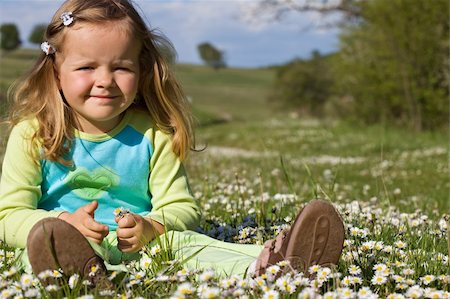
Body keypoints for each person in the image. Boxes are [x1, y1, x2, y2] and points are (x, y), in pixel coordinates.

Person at [0, 0, 345, 286]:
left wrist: (152, 226)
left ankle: (275, 264)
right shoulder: (34, 134)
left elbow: (183, 208)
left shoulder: (153, 134)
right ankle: (87, 275)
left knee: (186, 245)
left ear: (142, 69)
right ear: (56, 71)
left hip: (142, 246)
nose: (104, 80)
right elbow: (8, 215)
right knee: (41, 251)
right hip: (67, 242)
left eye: (121, 67)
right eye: (87, 67)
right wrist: (61, 223)